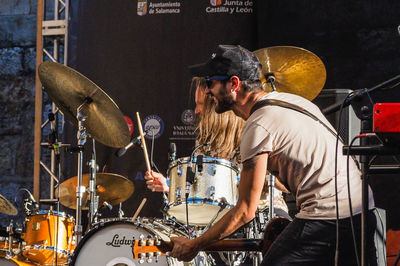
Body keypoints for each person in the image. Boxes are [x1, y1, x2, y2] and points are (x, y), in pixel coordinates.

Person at [169, 45, 378, 265]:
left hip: (327, 216)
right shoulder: (295, 102)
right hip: (363, 208)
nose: (208, 91)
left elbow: (245, 212)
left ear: (234, 84)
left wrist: (195, 244)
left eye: (211, 83)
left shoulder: (258, 124)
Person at [144, 77, 290, 218]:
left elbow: (288, 187)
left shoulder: (256, 130)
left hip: (266, 214)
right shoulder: (205, 143)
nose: (196, 111)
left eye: (200, 104)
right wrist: (169, 187)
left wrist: (267, 169)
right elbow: (202, 193)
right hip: (226, 217)